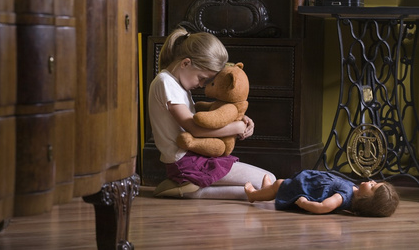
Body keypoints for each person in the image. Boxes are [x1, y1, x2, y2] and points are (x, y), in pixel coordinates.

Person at [148, 27, 276, 199]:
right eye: (201, 78)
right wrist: (236, 127)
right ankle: (188, 187)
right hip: (187, 162)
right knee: (267, 181)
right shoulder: (166, 83)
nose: (202, 85)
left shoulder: (176, 84)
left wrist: (238, 117)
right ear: (185, 63)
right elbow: (195, 129)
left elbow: (201, 115)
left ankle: (189, 188)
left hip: (194, 158)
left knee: (263, 187)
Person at [244, 169, 399, 217]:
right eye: (374, 182)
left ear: (365, 199)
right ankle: (267, 191)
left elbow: (324, 206)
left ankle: (254, 195)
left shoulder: (343, 197)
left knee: (280, 185)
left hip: (306, 190)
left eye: (372, 187)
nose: (371, 181)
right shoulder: (353, 190)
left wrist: (305, 203)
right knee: (281, 184)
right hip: (309, 184)